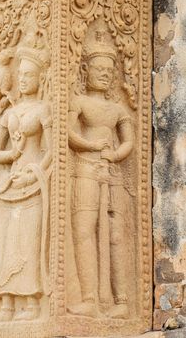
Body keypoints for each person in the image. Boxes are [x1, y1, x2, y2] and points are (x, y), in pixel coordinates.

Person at [0, 28, 52, 322]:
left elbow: (52, 151)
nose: (23, 79)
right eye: (20, 74)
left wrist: (36, 171)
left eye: (28, 75)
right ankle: (7, 303)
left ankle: (32, 303)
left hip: (32, 183)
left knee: (28, 240)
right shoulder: (9, 112)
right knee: (6, 240)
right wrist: (11, 157)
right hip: (10, 182)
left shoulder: (43, 110)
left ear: (39, 79)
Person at [68, 30, 134, 319]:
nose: (105, 75)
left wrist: (116, 154)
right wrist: (93, 145)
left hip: (113, 174)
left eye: (109, 71)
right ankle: (90, 298)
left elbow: (128, 142)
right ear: (86, 70)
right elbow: (69, 133)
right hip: (84, 169)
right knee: (84, 230)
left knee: (115, 235)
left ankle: (121, 301)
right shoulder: (80, 102)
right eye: (99, 69)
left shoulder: (117, 108)